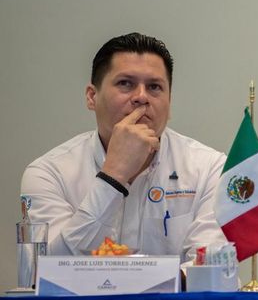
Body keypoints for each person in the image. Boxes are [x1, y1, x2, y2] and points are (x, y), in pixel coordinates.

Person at [20, 32, 226, 259]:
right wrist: (113, 176)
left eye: (154, 87)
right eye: (125, 84)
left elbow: (210, 269)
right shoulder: (49, 173)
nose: (141, 97)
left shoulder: (210, 168)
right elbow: (50, 272)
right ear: (92, 97)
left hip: (170, 297)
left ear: (170, 101)